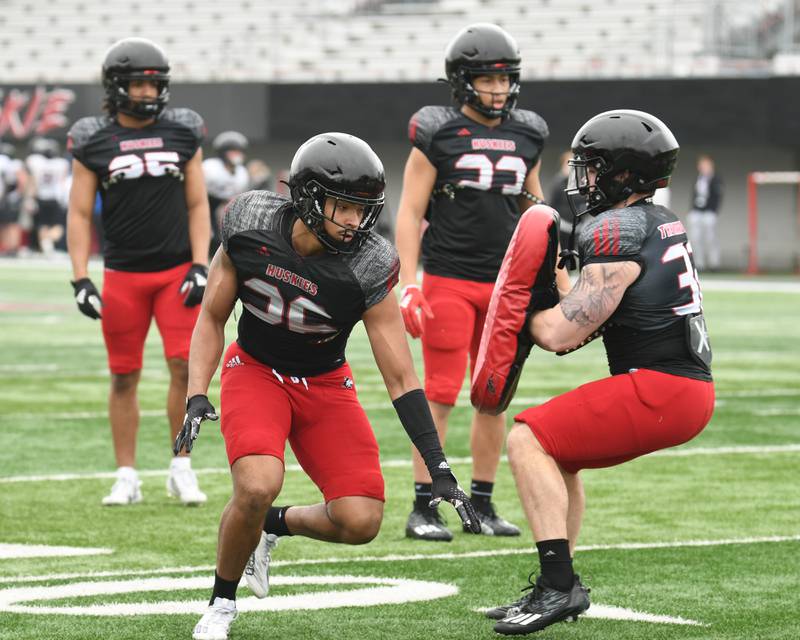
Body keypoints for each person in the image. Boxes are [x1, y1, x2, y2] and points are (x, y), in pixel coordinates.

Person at [176, 132, 480, 640]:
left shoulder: (368, 265)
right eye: (344, 207)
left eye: (364, 211)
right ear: (309, 198)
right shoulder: (251, 225)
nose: (356, 222)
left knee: (360, 520)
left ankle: (268, 527)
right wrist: (196, 392)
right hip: (255, 370)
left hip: (325, 383)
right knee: (255, 484)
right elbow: (212, 316)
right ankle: (221, 604)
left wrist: (438, 464)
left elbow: (401, 377)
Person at [479, 109, 715, 635]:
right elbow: (591, 318)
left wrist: (519, 310)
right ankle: (558, 582)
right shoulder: (654, 221)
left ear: (622, 173)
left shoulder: (617, 227)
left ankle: (558, 586)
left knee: (526, 441)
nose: (582, 180)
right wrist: (558, 292)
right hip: (678, 385)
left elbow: (560, 334)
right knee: (558, 454)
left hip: (662, 388)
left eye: (591, 167)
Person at [395, 22, 568, 541]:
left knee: (494, 396)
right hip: (448, 278)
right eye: (486, 78)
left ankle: (484, 504)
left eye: (504, 78)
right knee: (441, 395)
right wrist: (409, 282)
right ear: (462, 80)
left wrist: (558, 274)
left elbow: (535, 209)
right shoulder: (437, 131)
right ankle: (424, 505)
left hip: (506, 286)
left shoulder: (528, 132)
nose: (497, 88)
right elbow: (409, 211)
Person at [66, 37, 211, 506]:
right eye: (138, 84)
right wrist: (80, 276)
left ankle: (181, 465)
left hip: (174, 273)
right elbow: (79, 213)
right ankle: (126, 473)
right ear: (116, 86)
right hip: (122, 275)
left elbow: (196, 202)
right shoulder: (93, 137)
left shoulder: (184, 131)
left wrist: (200, 263)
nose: (148, 93)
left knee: (184, 367)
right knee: (123, 374)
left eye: (154, 84)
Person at [203, 131, 250, 256]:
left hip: (225, 203)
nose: (237, 155)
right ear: (223, 153)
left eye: (239, 151)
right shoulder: (210, 168)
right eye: (233, 151)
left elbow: (235, 198)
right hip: (205, 201)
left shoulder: (242, 173)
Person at [25, 137, 70, 255]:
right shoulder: (61, 163)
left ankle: (46, 244)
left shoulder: (35, 161)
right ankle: (48, 244)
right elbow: (62, 182)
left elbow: (33, 182)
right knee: (58, 225)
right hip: (55, 198)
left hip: (41, 197)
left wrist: (29, 198)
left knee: (42, 224)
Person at [687, 154, 723, 271]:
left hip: (709, 212)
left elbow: (717, 197)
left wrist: (713, 211)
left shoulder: (716, 178)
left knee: (710, 238)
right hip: (697, 211)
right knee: (695, 238)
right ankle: (699, 264)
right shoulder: (698, 178)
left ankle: (714, 264)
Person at [0, 142, 27, 254]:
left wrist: (17, 194)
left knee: (11, 223)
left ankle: (12, 247)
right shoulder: (13, 163)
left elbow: (21, 180)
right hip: (8, 197)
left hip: (10, 197)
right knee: (5, 223)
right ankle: (6, 247)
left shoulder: (13, 164)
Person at [546, 150, 574, 250]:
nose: (571, 168)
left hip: (576, 227)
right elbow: (552, 204)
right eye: (569, 164)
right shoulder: (558, 183)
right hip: (562, 226)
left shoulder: (579, 182)